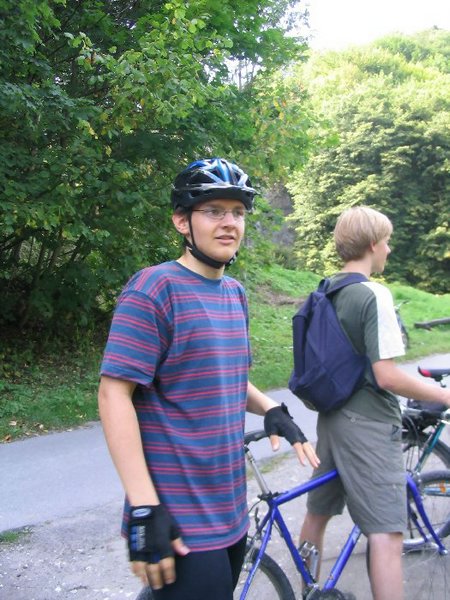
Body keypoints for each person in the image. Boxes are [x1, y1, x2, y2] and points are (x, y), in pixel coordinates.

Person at [98, 157, 319, 600]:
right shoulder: (154, 289)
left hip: (229, 506)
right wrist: (144, 506)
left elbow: (223, 375)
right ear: (182, 221)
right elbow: (113, 394)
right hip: (177, 512)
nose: (229, 223)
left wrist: (271, 408)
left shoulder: (234, 294)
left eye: (237, 212)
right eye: (213, 211)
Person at [298, 206, 450, 600]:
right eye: (386, 241)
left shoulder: (327, 290)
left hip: (331, 420)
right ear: (371, 244)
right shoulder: (373, 294)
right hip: (368, 424)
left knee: (317, 513)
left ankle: (306, 591)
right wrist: (442, 394)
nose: (389, 249)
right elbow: (386, 376)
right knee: (386, 532)